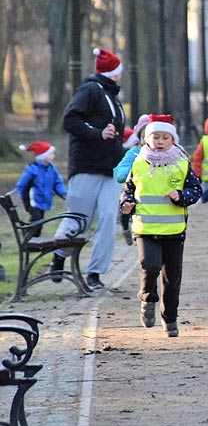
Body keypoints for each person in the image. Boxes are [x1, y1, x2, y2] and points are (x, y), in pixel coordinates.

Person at [119, 114, 202, 338]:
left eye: (165, 137)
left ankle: (170, 318)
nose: (160, 141)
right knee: (149, 265)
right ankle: (147, 298)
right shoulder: (138, 163)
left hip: (174, 231)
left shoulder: (182, 163)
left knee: (172, 277)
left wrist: (181, 195)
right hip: (145, 228)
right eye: (156, 136)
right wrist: (126, 204)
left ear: (173, 140)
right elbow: (127, 192)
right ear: (147, 139)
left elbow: (196, 191)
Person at [51, 47, 126, 290]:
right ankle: (59, 255)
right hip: (86, 166)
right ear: (115, 72)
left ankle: (95, 272)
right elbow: (70, 119)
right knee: (79, 219)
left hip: (110, 169)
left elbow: (112, 134)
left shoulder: (111, 96)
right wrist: (97, 133)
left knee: (107, 218)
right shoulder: (90, 89)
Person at [15, 141, 67, 237]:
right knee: (37, 219)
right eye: (50, 154)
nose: (53, 156)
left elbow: (57, 182)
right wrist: (20, 199)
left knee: (39, 221)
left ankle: (32, 239)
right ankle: (28, 239)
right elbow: (21, 185)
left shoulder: (51, 168)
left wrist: (64, 194)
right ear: (43, 156)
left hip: (44, 200)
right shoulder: (32, 169)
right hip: (32, 201)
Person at [114, 114, 151, 246]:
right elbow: (119, 175)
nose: (149, 141)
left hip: (162, 208)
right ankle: (126, 230)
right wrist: (135, 169)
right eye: (144, 137)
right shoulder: (134, 153)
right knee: (125, 210)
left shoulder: (171, 154)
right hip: (136, 199)